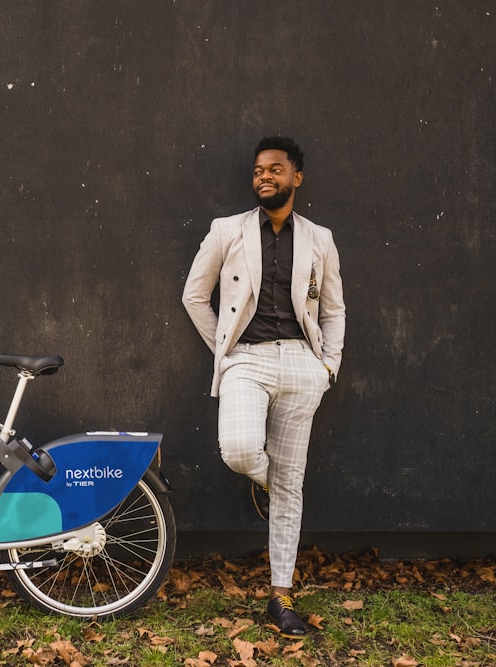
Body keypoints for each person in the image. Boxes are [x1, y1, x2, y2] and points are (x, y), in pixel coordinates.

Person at [182, 136, 345, 638]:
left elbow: (334, 308)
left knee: (291, 486)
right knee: (238, 450)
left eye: (276, 169)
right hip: (246, 361)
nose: (265, 177)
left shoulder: (320, 238)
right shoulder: (227, 231)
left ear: (297, 177)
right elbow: (193, 295)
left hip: (302, 363)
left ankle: (280, 595)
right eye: (258, 171)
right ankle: (270, 482)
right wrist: (226, 354)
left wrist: (328, 367)